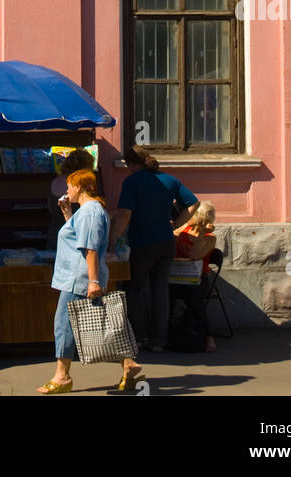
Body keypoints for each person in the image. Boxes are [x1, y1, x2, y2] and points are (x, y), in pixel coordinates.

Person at [37, 169, 145, 395]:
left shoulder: (90, 212)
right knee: (103, 323)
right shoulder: (87, 212)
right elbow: (79, 237)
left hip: (79, 277)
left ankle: (62, 376)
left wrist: (93, 281)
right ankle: (128, 365)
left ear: (78, 187)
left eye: (69, 186)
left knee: (64, 325)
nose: (67, 191)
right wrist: (68, 215)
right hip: (81, 276)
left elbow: (91, 248)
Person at [110, 145, 198, 352]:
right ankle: (159, 340)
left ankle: (140, 337)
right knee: (160, 291)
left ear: (132, 163)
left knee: (136, 290)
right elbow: (193, 204)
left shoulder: (132, 181)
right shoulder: (170, 180)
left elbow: (125, 213)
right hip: (166, 243)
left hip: (142, 242)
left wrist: (113, 238)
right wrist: (176, 224)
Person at [173, 200, 218, 353]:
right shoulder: (183, 230)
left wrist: (200, 236)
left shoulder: (210, 238)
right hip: (177, 275)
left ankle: (207, 335)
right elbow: (171, 236)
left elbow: (195, 255)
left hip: (198, 278)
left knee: (193, 295)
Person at [45, 147, 94, 246]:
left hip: (56, 233)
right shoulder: (79, 185)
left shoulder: (55, 181)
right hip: (75, 236)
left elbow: (51, 208)